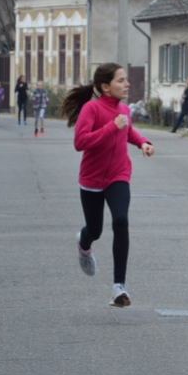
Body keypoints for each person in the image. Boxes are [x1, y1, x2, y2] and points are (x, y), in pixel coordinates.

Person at [60, 62, 155, 306]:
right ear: (105, 86)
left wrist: (143, 142)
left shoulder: (124, 109)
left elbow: (128, 132)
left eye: (126, 79)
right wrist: (111, 127)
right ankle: (83, 242)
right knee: (96, 230)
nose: (127, 84)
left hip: (118, 175)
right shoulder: (91, 109)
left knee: (121, 221)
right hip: (91, 179)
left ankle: (118, 287)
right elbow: (80, 142)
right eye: (121, 80)